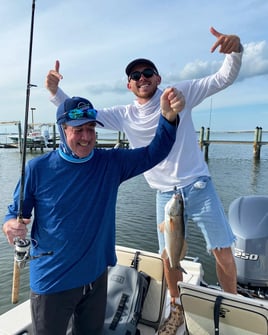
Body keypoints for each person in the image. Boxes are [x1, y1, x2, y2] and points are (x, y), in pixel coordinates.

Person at [46, 26, 243, 332]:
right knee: (169, 258)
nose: (142, 78)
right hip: (164, 194)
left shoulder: (179, 93)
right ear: (129, 85)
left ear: (158, 77)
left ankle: (232, 306)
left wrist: (235, 51)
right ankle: (176, 307)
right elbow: (82, 114)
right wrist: (55, 91)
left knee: (222, 250)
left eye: (147, 72)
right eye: (135, 75)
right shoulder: (124, 114)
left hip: (198, 185)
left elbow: (222, 78)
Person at [2, 93, 183, 335]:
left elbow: (154, 153)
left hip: (96, 279)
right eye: (78, 130)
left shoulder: (110, 163)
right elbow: (15, 214)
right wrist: (10, 225)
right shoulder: (37, 169)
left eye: (91, 129)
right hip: (52, 282)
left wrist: (168, 119)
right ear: (62, 130)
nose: (87, 137)